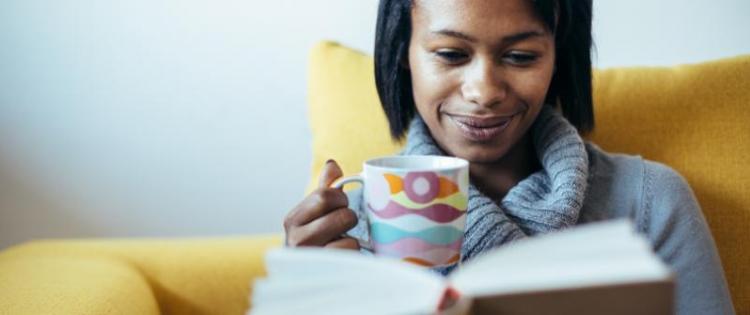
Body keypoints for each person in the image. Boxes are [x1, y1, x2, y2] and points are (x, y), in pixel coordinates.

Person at [282, 0, 735, 314]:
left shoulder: (648, 202)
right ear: (404, 53)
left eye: (520, 57)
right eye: (451, 54)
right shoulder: (350, 229)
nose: (483, 92)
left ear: (559, 56)